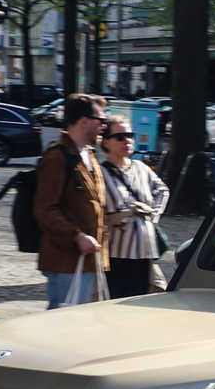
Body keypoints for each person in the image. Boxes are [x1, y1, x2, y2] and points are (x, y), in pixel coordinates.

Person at [34, 92, 109, 307]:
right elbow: (45, 209)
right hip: (65, 261)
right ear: (84, 122)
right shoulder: (58, 157)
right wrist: (76, 236)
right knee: (61, 326)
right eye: (100, 120)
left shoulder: (89, 154)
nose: (104, 125)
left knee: (77, 326)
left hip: (88, 261)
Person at [97, 116, 169, 297]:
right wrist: (126, 214)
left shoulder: (141, 167)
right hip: (116, 254)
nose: (127, 140)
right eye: (120, 137)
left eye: (130, 135)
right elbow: (94, 212)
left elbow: (162, 191)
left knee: (140, 304)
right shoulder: (100, 173)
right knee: (114, 302)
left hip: (144, 252)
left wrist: (153, 217)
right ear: (106, 141)